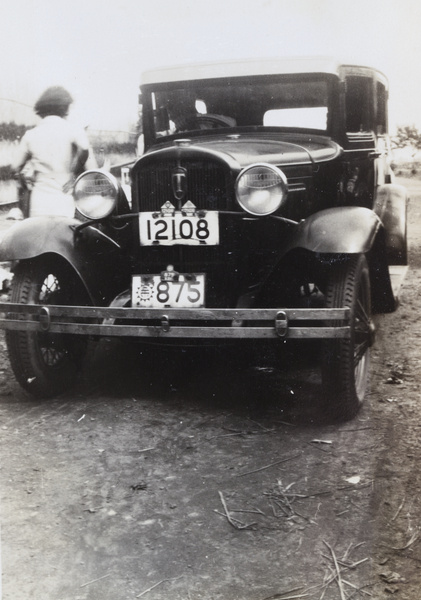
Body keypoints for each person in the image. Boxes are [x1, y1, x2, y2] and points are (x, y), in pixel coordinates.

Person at [11, 86, 90, 218]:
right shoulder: (74, 130)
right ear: (65, 107)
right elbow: (84, 149)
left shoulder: (30, 135)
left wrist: (25, 182)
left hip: (39, 201)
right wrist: (73, 175)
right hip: (64, 197)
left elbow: (15, 167)